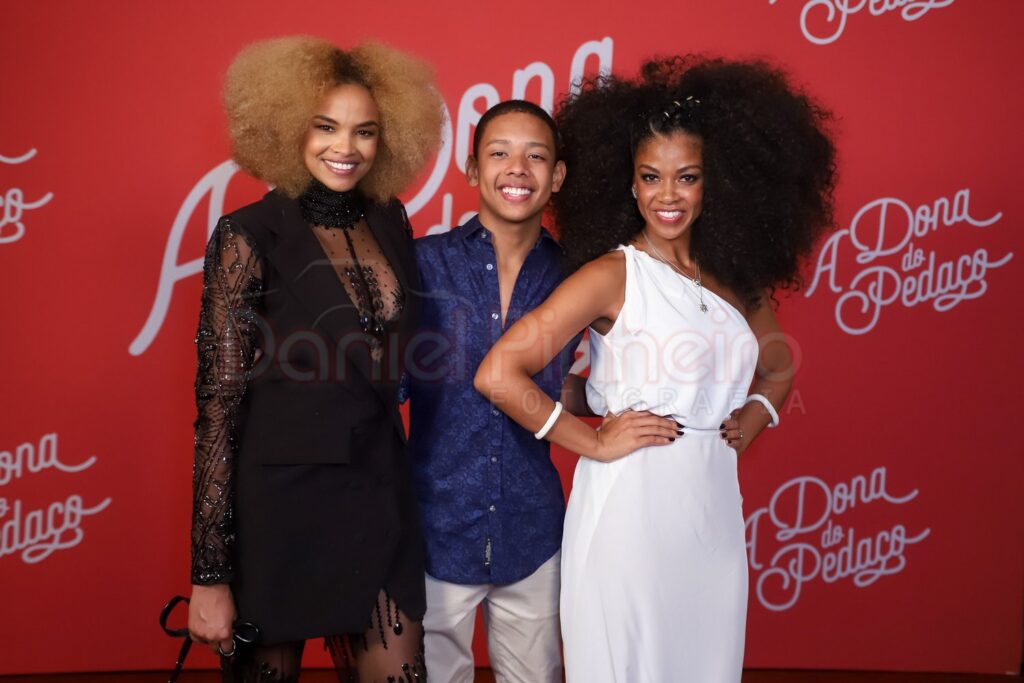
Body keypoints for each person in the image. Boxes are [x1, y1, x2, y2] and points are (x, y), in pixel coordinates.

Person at [474, 56, 836, 681]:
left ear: (712, 184)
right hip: (628, 515)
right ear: (631, 186)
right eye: (650, 177)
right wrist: (589, 439)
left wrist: (752, 418)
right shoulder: (612, 275)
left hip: (713, 513)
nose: (667, 195)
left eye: (686, 177)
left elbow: (777, 369)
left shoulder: (738, 282)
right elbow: (498, 373)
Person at [186, 36, 442, 682]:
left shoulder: (392, 219)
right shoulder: (248, 236)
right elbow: (218, 409)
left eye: (365, 131)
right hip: (279, 516)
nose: (345, 147)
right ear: (288, 126)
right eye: (325, 126)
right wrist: (210, 575)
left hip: (379, 502)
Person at [405, 100, 606, 683]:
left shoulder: (581, 274)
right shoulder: (422, 264)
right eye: (500, 153)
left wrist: (618, 405)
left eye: (536, 156)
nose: (517, 168)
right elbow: (382, 385)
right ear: (471, 169)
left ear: (558, 176)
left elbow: (563, 388)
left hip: (532, 531)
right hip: (435, 527)